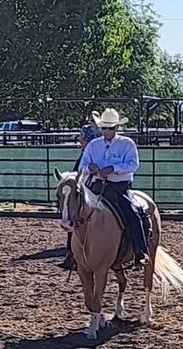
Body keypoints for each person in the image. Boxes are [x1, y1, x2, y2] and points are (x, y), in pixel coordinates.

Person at [79, 108, 149, 267]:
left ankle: (140, 250)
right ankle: (72, 252)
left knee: (132, 213)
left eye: (110, 128)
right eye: (104, 128)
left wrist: (113, 168)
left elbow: (133, 165)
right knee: (76, 212)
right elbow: (82, 165)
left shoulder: (127, 144)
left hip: (119, 187)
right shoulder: (93, 145)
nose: (107, 131)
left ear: (117, 128)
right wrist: (89, 167)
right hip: (95, 186)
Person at [60, 111, 101, 270]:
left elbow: (82, 141)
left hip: (89, 161)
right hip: (92, 162)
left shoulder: (89, 130)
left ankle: (72, 252)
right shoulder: (99, 133)